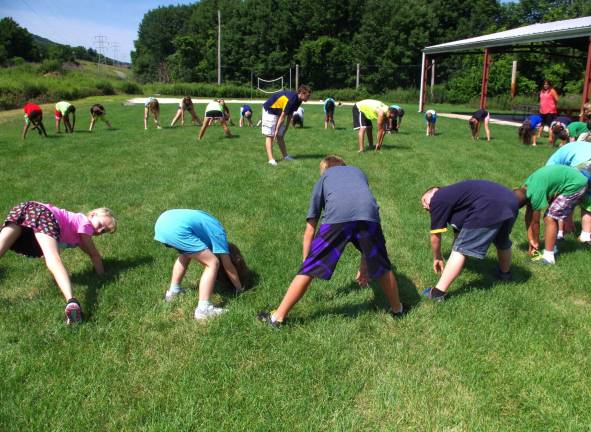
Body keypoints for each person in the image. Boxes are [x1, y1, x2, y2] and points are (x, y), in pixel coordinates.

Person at [256, 155, 406, 327]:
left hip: (337, 219)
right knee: (382, 267)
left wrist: (307, 263)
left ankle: (277, 318)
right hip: (369, 217)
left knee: (310, 267)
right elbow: (360, 205)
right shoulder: (358, 172)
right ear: (344, 165)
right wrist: (365, 264)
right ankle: (398, 309)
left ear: (324, 169)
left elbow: (310, 228)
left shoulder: (324, 179)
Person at [0, 201, 117, 323]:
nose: (99, 230)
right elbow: (94, 255)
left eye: (104, 231)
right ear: (92, 215)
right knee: (53, 258)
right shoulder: (85, 224)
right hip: (43, 214)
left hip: (25, 208)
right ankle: (71, 301)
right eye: (100, 224)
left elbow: (87, 250)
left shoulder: (78, 229)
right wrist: (102, 276)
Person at [419, 180, 519, 302]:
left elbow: (435, 235)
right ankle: (505, 275)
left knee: (461, 249)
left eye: (424, 200)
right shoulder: (456, 197)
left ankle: (437, 293)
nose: (425, 207)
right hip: (511, 200)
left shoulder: (438, 198)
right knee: (501, 240)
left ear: (434, 191)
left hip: (489, 205)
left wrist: (437, 257)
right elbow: (458, 231)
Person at [154, 209, 245, 321]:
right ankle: (204, 309)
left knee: (186, 254)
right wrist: (240, 289)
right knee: (212, 262)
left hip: (163, 221)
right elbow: (229, 267)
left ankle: (174, 291)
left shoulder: (210, 227)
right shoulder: (220, 234)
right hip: (176, 229)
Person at [513, 165, 587, 265]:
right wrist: (531, 240)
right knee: (550, 216)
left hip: (575, 184)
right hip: (570, 178)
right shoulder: (527, 187)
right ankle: (547, 247)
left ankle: (549, 257)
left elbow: (535, 223)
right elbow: (528, 217)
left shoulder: (535, 195)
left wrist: (535, 242)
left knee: (550, 218)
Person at [545, 140, 591, 245]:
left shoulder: (554, 160)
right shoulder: (575, 147)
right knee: (590, 200)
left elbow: (549, 176)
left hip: (585, 163)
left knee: (565, 196)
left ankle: (560, 234)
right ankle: (586, 236)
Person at [261, 84, 311, 166]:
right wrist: (276, 130)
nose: (308, 99)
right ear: (301, 93)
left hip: (279, 112)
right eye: (307, 96)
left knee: (280, 135)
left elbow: (290, 114)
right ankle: (271, 159)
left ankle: (285, 156)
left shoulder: (299, 100)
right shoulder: (291, 99)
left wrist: (286, 128)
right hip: (270, 110)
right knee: (270, 135)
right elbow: (283, 116)